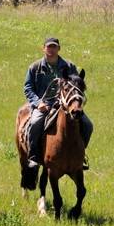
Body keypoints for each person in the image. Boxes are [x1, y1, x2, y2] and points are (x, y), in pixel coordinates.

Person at [23, 37, 92, 170]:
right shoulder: (35, 67)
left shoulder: (69, 66)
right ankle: (33, 156)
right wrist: (38, 103)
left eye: (54, 47)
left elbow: (76, 85)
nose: (51, 50)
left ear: (59, 49)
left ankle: (80, 155)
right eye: (49, 47)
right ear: (43, 48)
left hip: (66, 105)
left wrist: (74, 102)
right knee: (35, 123)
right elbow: (28, 88)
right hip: (44, 105)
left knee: (88, 125)